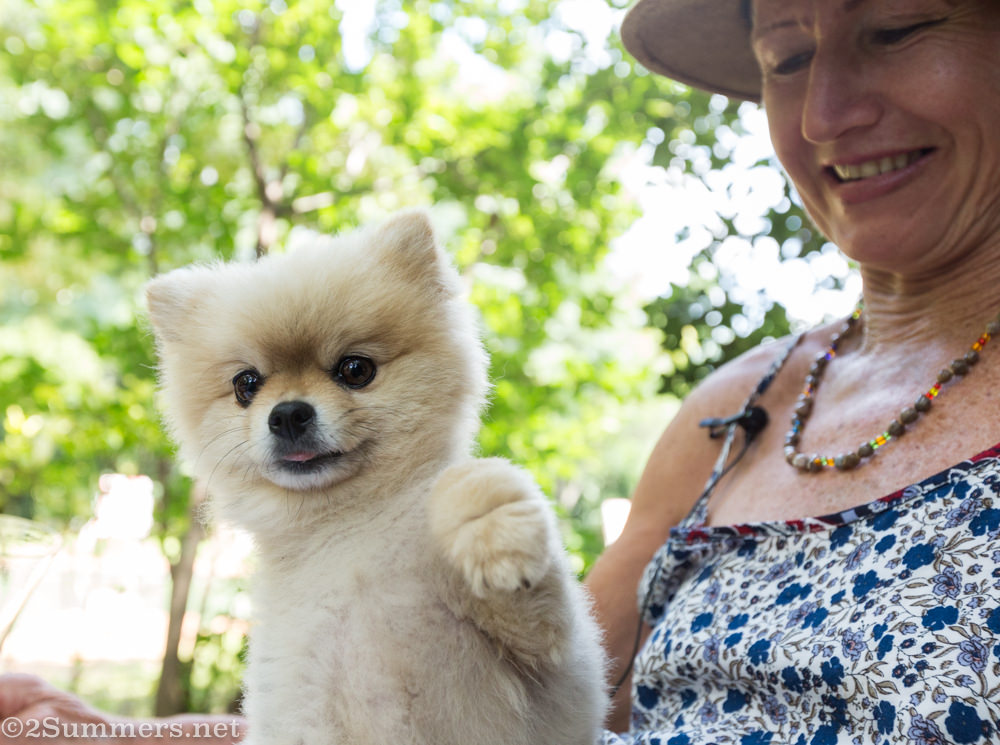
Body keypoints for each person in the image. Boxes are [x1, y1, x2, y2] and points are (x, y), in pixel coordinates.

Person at [5, 0, 1000, 742]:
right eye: (783, 58)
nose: (825, 111)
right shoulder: (738, 409)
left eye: (896, 28)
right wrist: (132, 733)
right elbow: (534, 697)